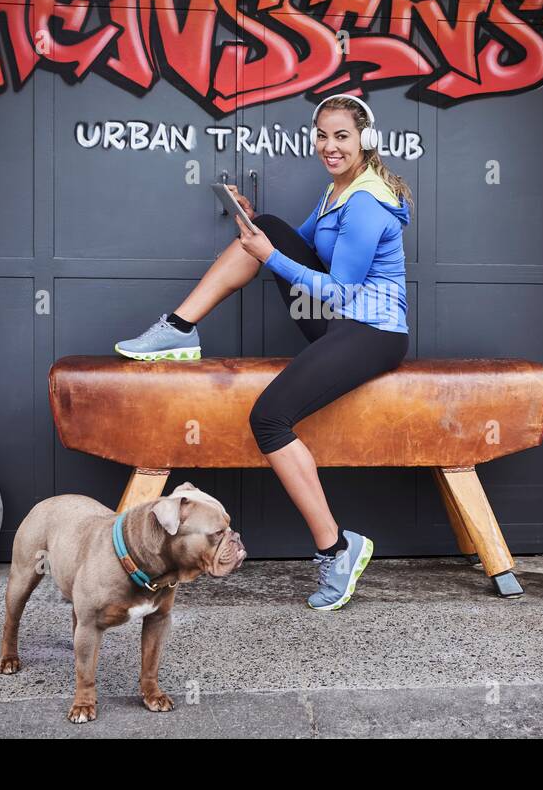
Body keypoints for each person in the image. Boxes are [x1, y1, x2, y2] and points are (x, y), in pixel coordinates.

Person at [113, 94, 412, 610]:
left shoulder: (365, 200)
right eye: (321, 134)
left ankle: (337, 548)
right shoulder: (336, 191)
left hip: (372, 331)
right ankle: (180, 327)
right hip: (340, 323)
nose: (329, 146)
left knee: (270, 417)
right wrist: (257, 232)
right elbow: (303, 250)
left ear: (366, 139)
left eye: (341, 135)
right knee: (269, 224)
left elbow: (339, 290)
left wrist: (269, 256)